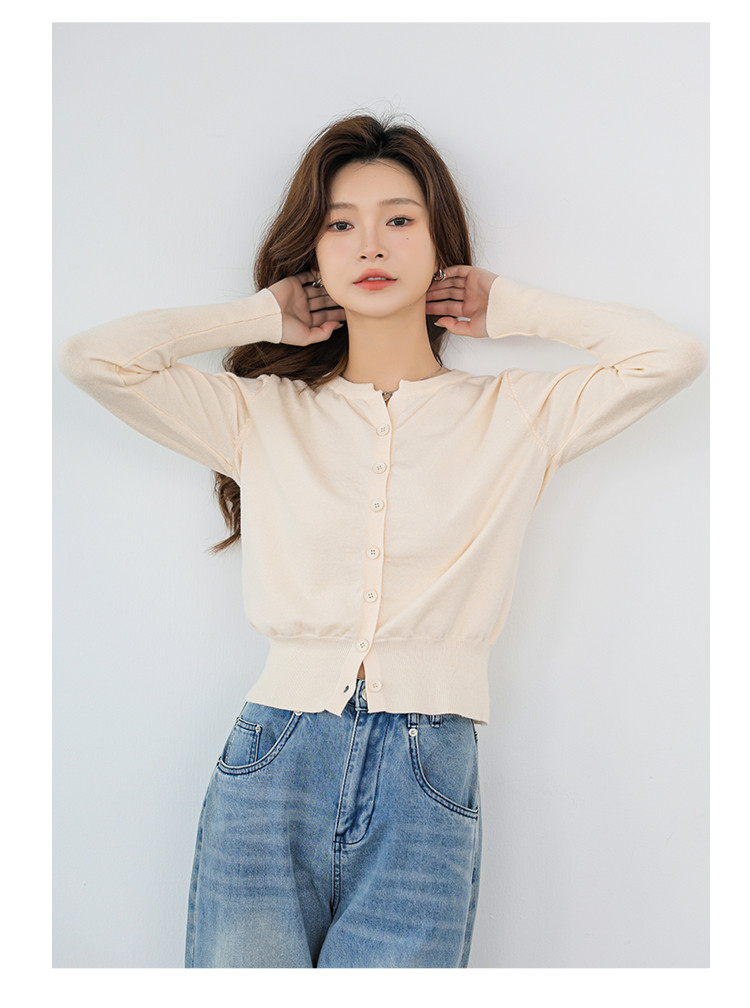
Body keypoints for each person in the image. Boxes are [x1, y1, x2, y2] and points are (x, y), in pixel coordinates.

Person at [56, 111, 708, 968]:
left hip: (429, 771)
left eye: (399, 219)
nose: (371, 245)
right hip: (274, 757)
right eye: (340, 225)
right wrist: (259, 315)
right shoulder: (262, 414)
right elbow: (94, 359)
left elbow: (669, 356)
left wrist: (512, 307)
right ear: (313, 254)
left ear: (441, 246)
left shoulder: (516, 414)